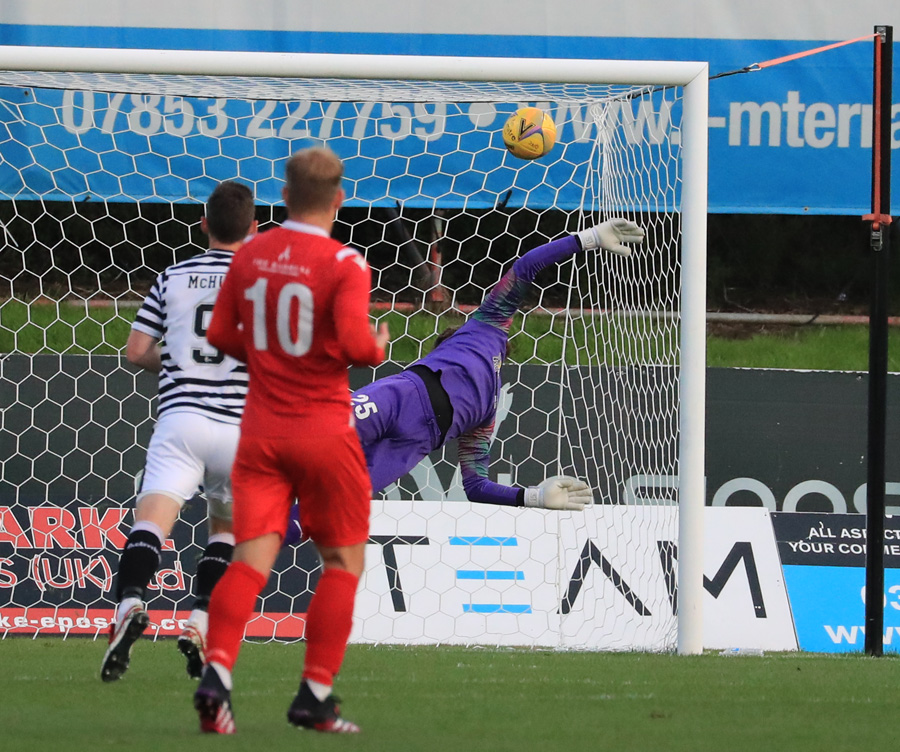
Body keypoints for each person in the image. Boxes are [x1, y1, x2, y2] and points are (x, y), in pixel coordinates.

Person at [283, 217, 643, 545]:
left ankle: (243, 543)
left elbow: (475, 485)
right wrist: (588, 238)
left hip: (410, 445)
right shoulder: (487, 324)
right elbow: (526, 267)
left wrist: (533, 496)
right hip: (399, 398)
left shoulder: (486, 411)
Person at [193, 146, 389, 735]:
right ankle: (315, 695)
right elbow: (357, 347)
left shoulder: (250, 254)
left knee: (251, 558)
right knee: (342, 559)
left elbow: (223, 335)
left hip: (260, 432)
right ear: (338, 199)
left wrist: (272, 353)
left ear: (283, 195)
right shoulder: (346, 264)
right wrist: (378, 343)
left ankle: (218, 676)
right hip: (324, 432)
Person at [100, 181, 258, 683]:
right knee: (226, 530)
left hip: (181, 418)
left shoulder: (173, 276)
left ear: (204, 225)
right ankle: (199, 622)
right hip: (240, 425)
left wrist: (177, 366)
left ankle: (129, 605)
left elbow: (135, 351)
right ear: (255, 230)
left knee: (152, 521)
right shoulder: (265, 281)